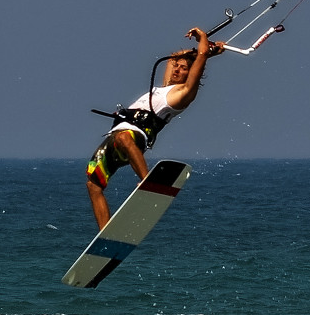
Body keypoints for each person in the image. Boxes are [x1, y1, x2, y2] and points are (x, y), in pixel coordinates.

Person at [85, 27, 223, 229]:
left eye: (184, 68)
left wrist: (203, 41)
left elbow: (200, 57)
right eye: (177, 67)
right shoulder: (165, 86)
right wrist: (200, 51)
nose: (176, 69)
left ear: (191, 73)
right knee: (93, 184)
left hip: (136, 136)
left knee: (124, 138)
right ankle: (104, 234)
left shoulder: (183, 93)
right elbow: (174, 56)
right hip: (114, 137)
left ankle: (147, 183)